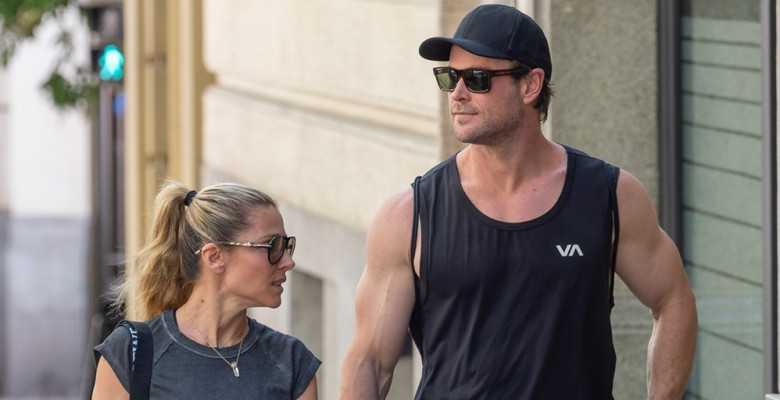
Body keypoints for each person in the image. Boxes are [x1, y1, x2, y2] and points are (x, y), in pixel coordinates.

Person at [339, 4, 697, 400]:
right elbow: (370, 359)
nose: (457, 93)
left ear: (531, 85)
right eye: (449, 77)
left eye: (477, 79)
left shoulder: (609, 196)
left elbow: (673, 299)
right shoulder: (409, 215)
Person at [92, 179, 320, 399]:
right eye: (273, 246)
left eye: (286, 245)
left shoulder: (292, 361)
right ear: (214, 257)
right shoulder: (129, 353)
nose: (288, 262)